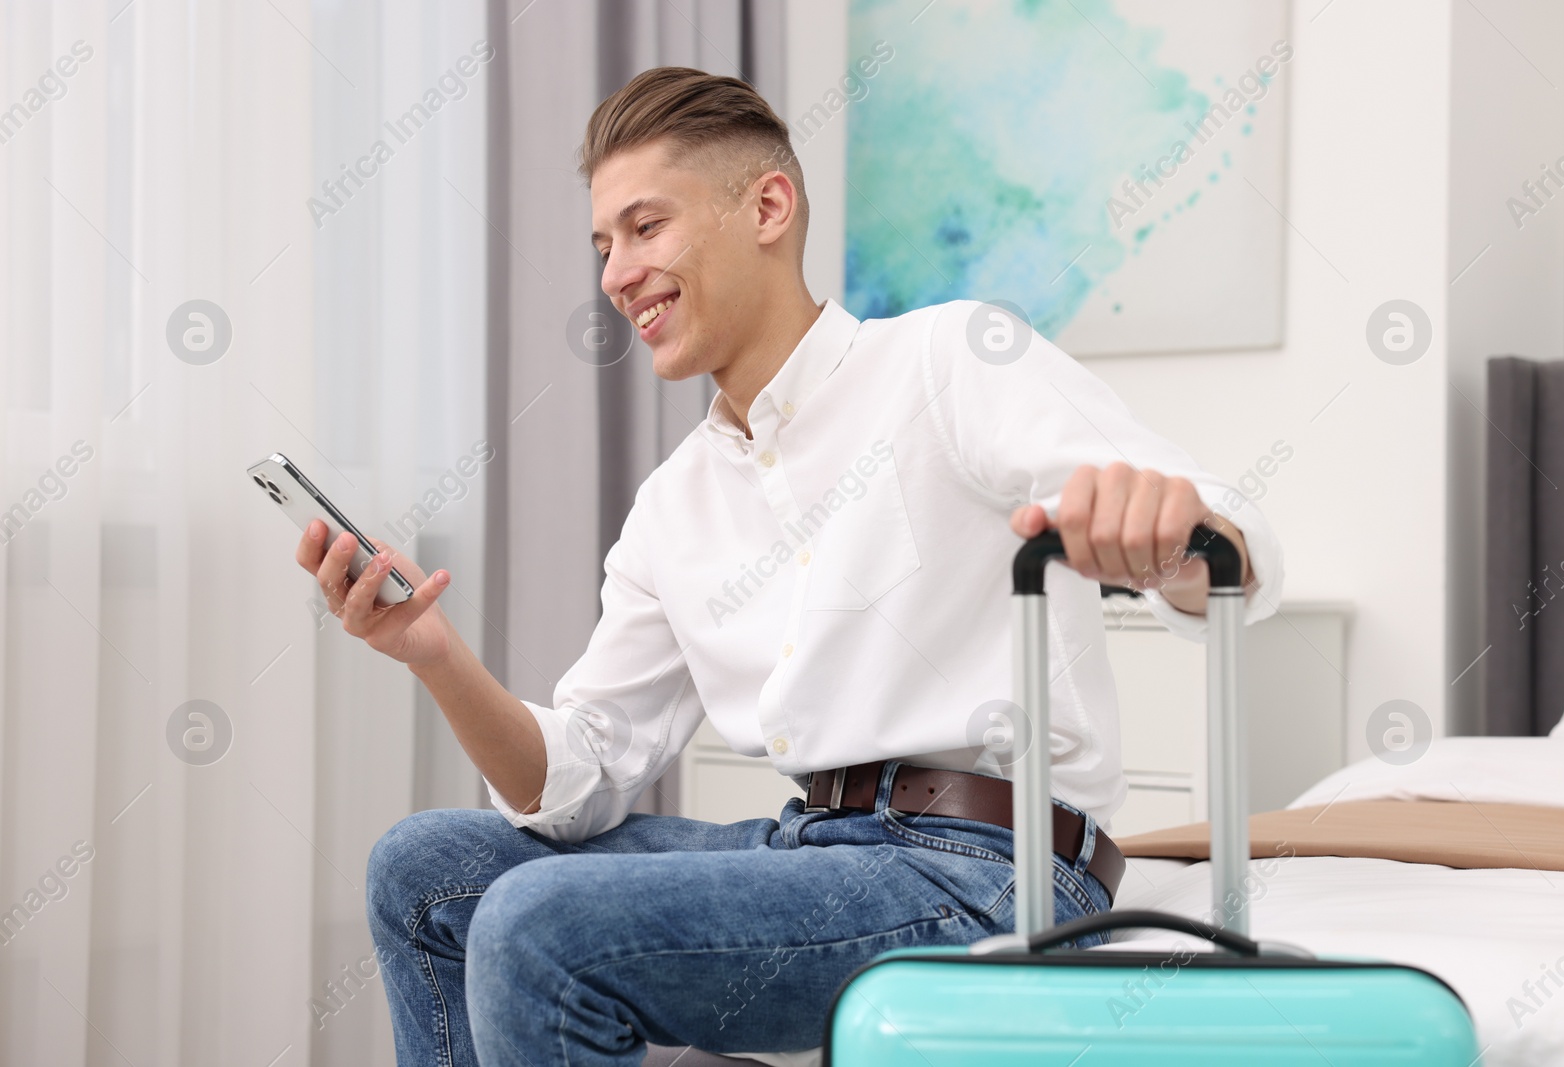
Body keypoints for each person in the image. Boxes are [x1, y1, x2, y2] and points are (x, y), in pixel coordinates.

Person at [296, 66, 1282, 1067]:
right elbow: (578, 779)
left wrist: (1173, 538)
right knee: (421, 868)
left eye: (644, 228)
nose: (613, 274)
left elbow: (1222, 547)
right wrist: (432, 653)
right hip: (809, 850)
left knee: (535, 925)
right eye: (601, 246)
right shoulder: (672, 506)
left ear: (768, 205)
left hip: (987, 867)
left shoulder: (945, 360)